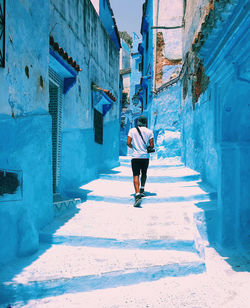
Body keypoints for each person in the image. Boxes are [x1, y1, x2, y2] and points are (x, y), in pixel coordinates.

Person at [127, 115, 154, 206]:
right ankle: (142, 188)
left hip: (135, 157)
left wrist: (134, 147)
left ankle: (137, 194)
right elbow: (152, 145)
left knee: (136, 174)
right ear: (145, 122)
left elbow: (128, 143)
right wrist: (146, 147)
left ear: (138, 122)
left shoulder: (132, 130)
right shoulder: (149, 131)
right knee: (144, 173)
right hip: (145, 157)